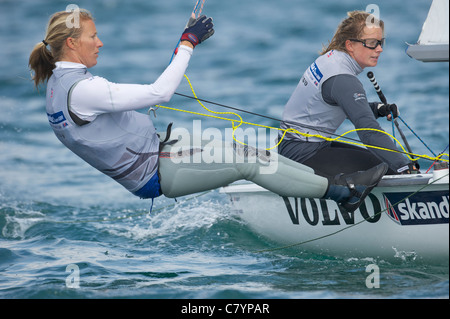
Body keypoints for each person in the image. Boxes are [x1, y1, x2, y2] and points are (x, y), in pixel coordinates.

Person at [29, 8, 388, 213]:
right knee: (250, 162)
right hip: (156, 172)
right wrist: (188, 42)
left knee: (250, 150)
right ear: (73, 43)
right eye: (93, 37)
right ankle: (342, 194)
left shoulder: (60, 87)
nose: (100, 42)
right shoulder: (84, 91)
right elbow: (161, 92)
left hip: (162, 148)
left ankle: (304, 182)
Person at [279, 11, 418, 181]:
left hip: (296, 147)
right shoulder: (342, 78)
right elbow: (368, 131)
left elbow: (335, 105)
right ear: (350, 45)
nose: (380, 49)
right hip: (302, 154)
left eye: (381, 43)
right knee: (390, 169)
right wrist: (403, 166)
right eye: (372, 43)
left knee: (385, 162)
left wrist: (376, 108)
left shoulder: (332, 58)